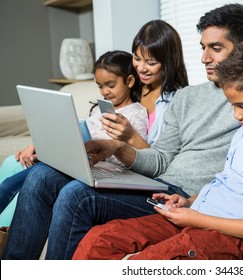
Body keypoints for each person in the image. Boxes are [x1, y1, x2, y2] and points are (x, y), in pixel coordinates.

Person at [3, 4, 243, 260]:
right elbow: (161, 157)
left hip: (196, 199)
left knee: (75, 195)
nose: (204, 58)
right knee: (44, 175)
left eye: (216, 48)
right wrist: (117, 149)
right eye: (202, 47)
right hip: (162, 190)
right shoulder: (187, 97)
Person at [72, 37, 243, 260]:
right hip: (198, 213)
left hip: (231, 234)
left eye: (242, 106)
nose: (236, 115)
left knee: (151, 262)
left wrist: (196, 218)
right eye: (232, 105)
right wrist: (189, 202)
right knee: (100, 239)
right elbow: (225, 183)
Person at [2, 19, 188, 260]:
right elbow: (89, 124)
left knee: (71, 192)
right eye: (137, 58)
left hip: (143, 176)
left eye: (151, 62)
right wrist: (43, 141)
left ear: (169, 61)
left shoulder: (177, 102)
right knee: (40, 174)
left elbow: (160, 160)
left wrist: (128, 137)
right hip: (112, 166)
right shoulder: (130, 88)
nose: (141, 68)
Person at [0, 50, 148, 216]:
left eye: (110, 85)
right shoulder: (99, 109)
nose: (104, 91)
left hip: (96, 167)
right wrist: (39, 146)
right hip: (72, 160)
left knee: (8, 186)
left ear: (129, 81)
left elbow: (137, 156)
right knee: (13, 165)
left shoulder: (136, 113)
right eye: (100, 86)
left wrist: (107, 150)